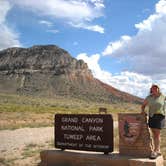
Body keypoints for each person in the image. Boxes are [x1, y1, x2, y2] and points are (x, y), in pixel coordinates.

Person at [141, 84, 166, 159]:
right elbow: (143, 105)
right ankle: (158, 150)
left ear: (158, 89)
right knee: (154, 134)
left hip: (160, 116)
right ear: (151, 90)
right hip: (152, 116)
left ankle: (155, 151)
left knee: (157, 134)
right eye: (153, 88)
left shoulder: (163, 97)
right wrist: (143, 111)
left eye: (156, 88)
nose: (154, 89)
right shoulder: (149, 97)